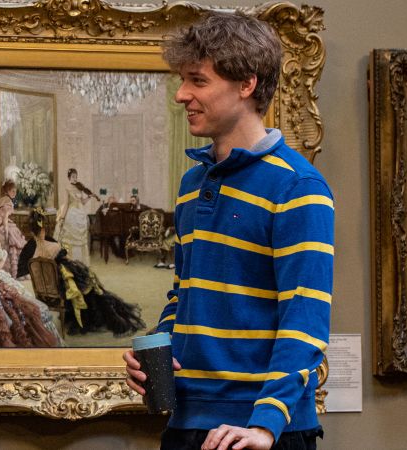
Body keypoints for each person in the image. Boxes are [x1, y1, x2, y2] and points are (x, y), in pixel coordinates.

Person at [124, 12, 333, 450]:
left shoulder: (299, 187)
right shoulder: (190, 185)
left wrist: (264, 426)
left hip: (260, 432)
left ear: (246, 84)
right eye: (182, 81)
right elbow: (184, 292)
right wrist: (157, 354)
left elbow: (305, 318)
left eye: (197, 81)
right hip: (187, 423)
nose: (182, 95)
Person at [56, 168, 99, 263]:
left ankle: (80, 261)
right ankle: (71, 260)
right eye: (73, 177)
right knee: (71, 238)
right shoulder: (67, 188)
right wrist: (62, 218)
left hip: (80, 214)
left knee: (80, 240)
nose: (75, 179)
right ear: (69, 178)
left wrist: (89, 197)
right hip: (71, 215)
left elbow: (82, 202)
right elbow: (66, 204)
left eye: (76, 176)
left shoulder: (79, 188)